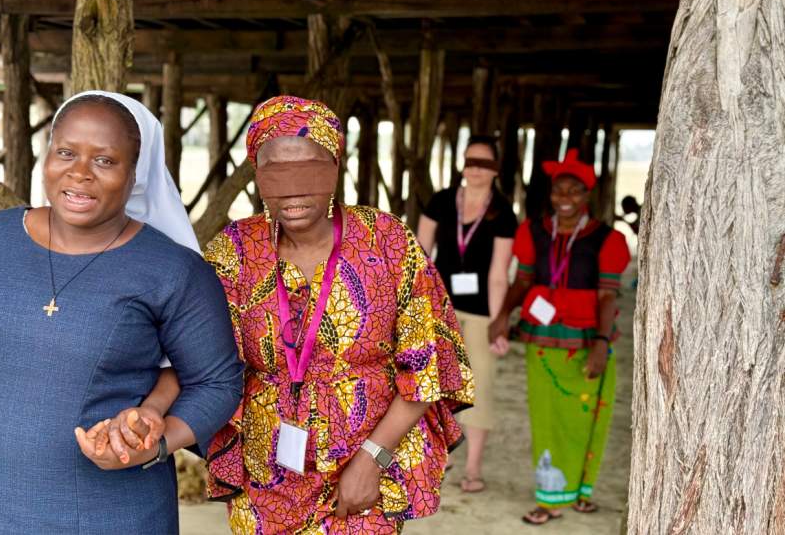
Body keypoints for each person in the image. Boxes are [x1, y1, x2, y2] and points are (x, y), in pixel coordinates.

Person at [0, 91, 243, 534]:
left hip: (113, 514)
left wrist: (158, 442)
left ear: (135, 174)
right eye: (66, 152)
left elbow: (218, 382)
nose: (79, 172)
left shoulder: (171, 270)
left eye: (105, 161)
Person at [200, 95, 474, 534]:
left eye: (308, 167)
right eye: (274, 170)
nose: (292, 187)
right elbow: (197, 356)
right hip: (265, 473)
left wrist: (373, 458)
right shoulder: (233, 252)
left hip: (364, 470)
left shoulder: (386, 241)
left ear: (334, 167)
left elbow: (428, 364)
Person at [488, 148, 630, 525]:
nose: (564, 199)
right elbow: (522, 280)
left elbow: (606, 294)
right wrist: (503, 315)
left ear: (588, 196)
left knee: (590, 416)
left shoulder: (606, 239)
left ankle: (582, 491)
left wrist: (600, 344)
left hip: (588, 341)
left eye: (574, 192)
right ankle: (550, 498)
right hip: (544, 342)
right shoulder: (533, 230)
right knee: (548, 419)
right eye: (558, 191)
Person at [417, 135, 517, 493]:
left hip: (478, 313)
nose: (475, 169)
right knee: (437, 385)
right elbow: (421, 257)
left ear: (496, 170)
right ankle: (444, 457)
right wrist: (418, 309)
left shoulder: (503, 212)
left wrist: (497, 325)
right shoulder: (442, 201)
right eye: (470, 161)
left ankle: (473, 467)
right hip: (438, 309)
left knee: (480, 387)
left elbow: (497, 274)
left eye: (484, 163)